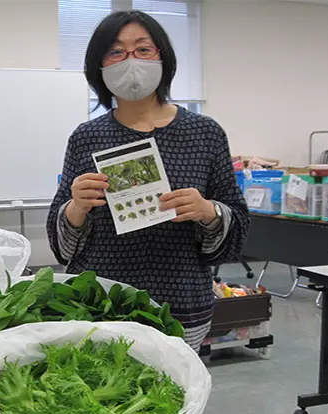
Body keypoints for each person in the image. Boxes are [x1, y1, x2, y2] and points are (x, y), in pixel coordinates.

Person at [46, 10, 249, 352]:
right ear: (99, 65)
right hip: (102, 305)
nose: (131, 61)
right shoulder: (86, 137)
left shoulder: (205, 133)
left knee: (175, 399)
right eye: (116, 52)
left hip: (181, 305)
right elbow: (60, 240)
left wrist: (207, 211)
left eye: (143, 49)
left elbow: (238, 222)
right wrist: (76, 207)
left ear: (163, 58)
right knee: (103, 397)